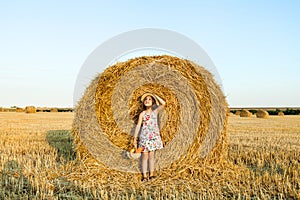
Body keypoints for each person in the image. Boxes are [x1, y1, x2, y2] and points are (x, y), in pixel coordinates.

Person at [133, 93, 165, 182]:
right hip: (144, 137)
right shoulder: (142, 114)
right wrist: (135, 138)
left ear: (153, 102)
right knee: (144, 157)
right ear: (143, 103)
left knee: (151, 156)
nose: (147, 100)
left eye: (149, 99)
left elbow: (164, 103)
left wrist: (154, 94)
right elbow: (138, 126)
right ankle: (144, 176)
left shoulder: (155, 112)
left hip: (154, 137)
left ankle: (151, 174)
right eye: (145, 99)